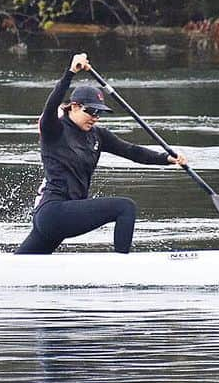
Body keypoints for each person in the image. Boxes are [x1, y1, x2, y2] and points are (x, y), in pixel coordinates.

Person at [15, 53, 187, 254]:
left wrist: (167, 159)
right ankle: (122, 266)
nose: (95, 118)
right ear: (75, 107)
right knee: (125, 207)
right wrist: (70, 73)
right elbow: (51, 105)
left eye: (99, 113)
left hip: (64, 214)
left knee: (20, 266)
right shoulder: (54, 130)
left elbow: (132, 151)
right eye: (91, 111)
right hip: (53, 212)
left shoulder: (98, 136)